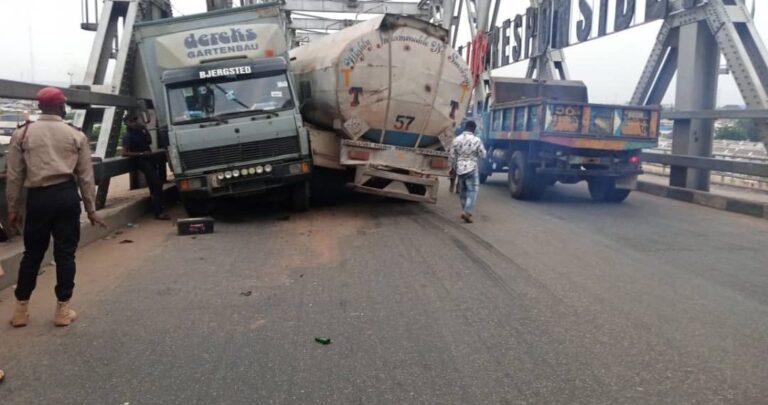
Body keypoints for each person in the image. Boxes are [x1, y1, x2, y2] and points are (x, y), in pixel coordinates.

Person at [6, 87, 106, 327]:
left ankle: (20, 311)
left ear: (40, 107)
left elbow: (14, 176)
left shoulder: (23, 133)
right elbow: (85, 177)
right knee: (65, 254)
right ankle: (62, 310)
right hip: (65, 196)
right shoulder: (75, 134)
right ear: (62, 107)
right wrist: (91, 209)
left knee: (32, 254)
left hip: (38, 199)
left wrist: (13, 209)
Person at [122, 114, 170, 220]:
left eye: (135, 120)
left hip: (149, 159)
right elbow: (125, 153)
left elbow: (149, 141)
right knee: (157, 183)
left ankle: (157, 207)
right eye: (132, 121)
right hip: (141, 160)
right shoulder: (128, 136)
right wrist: (141, 154)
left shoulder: (140, 132)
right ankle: (158, 212)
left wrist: (145, 129)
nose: (135, 122)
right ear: (128, 123)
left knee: (153, 185)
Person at [449, 120, 486, 223]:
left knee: (463, 191)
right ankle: (467, 212)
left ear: (465, 128)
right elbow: (483, 154)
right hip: (472, 167)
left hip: (460, 168)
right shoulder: (477, 140)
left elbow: (451, 156)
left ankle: (464, 210)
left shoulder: (456, 140)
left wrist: (451, 169)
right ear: (474, 129)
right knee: (472, 190)